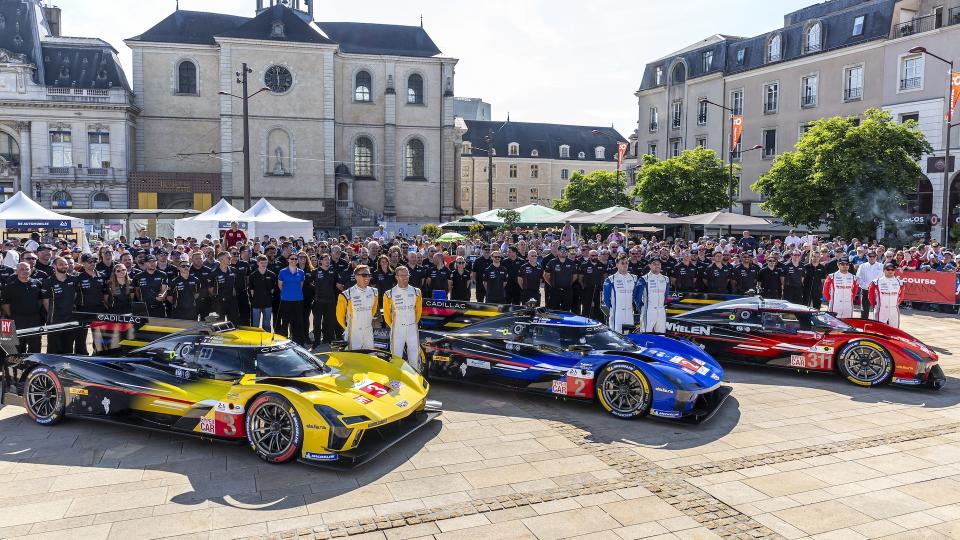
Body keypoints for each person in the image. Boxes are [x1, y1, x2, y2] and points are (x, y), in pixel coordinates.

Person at [382, 266, 423, 370]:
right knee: (396, 357)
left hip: (412, 328)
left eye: (407, 275)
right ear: (396, 277)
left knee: (414, 356)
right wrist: (393, 325)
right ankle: (396, 381)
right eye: (402, 275)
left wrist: (413, 323)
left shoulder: (416, 291)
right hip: (397, 329)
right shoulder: (389, 294)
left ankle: (415, 381)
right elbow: (386, 314)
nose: (405, 277)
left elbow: (418, 311)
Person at [1, 262, 43, 353]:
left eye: (27, 269)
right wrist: (12, 315)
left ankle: (34, 364)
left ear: (31, 270)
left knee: (35, 345)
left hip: (34, 319)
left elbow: (40, 301)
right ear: (17, 271)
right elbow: (5, 304)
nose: (25, 271)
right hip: (16, 319)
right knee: (18, 346)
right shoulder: (10, 286)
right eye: (21, 269)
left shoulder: (38, 283)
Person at [336, 265, 378, 349]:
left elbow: (373, 310)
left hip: (368, 330)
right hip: (353, 332)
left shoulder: (374, 292)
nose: (367, 277)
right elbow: (339, 316)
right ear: (356, 276)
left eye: (369, 275)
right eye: (364, 275)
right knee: (354, 357)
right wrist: (347, 328)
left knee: (370, 355)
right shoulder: (346, 294)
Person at [74, 253, 107, 354]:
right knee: (81, 336)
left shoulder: (102, 275)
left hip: (99, 309)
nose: (93, 263)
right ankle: (81, 355)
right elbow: (74, 295)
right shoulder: (78, 277)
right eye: (89, 262)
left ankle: (97, 354)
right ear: (83, 263)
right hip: (83, 310)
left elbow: (105, 293)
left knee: (99, 335)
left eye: (94, 261)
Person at [602, 256, 644, 334]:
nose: (625, 265)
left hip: (629, 312)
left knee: (629, 335)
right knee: (616, 336)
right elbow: (606, 299)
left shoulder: (634, 278)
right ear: (617, 264)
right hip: (617, 312)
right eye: (622, 263)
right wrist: (613, 308)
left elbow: (635, 296)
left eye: (626, 263)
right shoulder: (611, 279)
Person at [311, 253, 340, 347]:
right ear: (321, 261)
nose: (327, 261)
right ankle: (317, 340)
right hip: (318, 301)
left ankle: (328, 338)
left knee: (330, 321)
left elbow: (338, 284)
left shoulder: (333, 271)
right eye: (325, 260)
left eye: (328, 259)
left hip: (330, 301)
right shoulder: (315, 271)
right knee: (317, 322)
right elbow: (309, 283)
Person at [277, 255, 306, 345]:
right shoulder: (282, 272)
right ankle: (283, 343)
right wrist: (287, 293)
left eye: (295, 259)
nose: (294, 260)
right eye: (292, 259)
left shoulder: (301, 272)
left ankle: (298, 343)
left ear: (297, 261)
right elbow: (280, 286)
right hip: (286, 300)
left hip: (298, 300)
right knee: (285, 321)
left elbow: (301, 285)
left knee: (297, 322)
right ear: (288, 260)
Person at [248, 255, 277, 331]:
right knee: (255, 325)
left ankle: (267, 341)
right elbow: (251, 290)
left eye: (265, 262)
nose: (264, 264)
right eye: (262, 263)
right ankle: (255, 341)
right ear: (257, 263)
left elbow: (273, 290)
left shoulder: (272, 275)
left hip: (268, 303)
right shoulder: (253, 275)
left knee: (267, 324)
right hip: (256, 304)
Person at [640, 259, 669, 333]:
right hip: (649, 310)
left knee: (661, 335)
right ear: (649, 265)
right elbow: (637, 297)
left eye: (659, 264)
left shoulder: (665, 279)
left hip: (661, 310)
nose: (657, 266)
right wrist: (642, 307)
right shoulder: (644, 279)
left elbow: (666, 295)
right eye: (654, 264)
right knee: (646, 334)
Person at [544, 246, 576, 310]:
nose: (563, 252)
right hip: (555, 291)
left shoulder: (571, 263)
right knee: (554, 310)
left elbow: (575, 276)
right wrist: (551, 284)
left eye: (565, 251)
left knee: (566, 310)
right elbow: (545, 275)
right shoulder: (552, 262)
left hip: (567, 291)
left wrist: (569, 284)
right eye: (561, 251)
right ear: (558, 252)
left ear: (567, 253)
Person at [578, 249, 605, 319]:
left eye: (596, 255)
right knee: (586, 306)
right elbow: (580, 278)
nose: (595, 257)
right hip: (587, 289)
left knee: (598, 307)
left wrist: (602, 287)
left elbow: (604, 277)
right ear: (589, 256)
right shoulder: (584, 265)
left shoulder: (601, 265)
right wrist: (583, 287)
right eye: (593, 255)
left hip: (599, 289)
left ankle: (599, 321)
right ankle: (584, 319)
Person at [855, 251, 883, 318]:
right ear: (867, 257)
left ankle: (877, 324)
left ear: (876, 257)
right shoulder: (862, 266)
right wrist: (865, 285)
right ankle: (863, 324)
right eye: (870, 256)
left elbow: (883, 277)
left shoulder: (881, 266)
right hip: (865, 290)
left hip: (877, 291)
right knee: (864, 309)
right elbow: (858, 277)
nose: (872, 258)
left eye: (874, 256)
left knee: (878, 309)